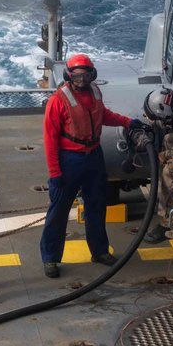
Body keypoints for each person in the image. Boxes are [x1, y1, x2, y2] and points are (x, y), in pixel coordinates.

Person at [40, 53, 142, 278]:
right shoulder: (58, 100)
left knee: (97, 206)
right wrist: (55, 172)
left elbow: (102, 115)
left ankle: (99, 251)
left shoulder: (95, 92)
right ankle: (50, 258)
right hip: (70, 160)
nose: (81, 80)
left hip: (94, 156)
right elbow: (50, 138)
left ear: (91, 75)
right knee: (58, 211)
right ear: (69, 75)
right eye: (76, 76)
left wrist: (127, 122)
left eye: (85, 75)